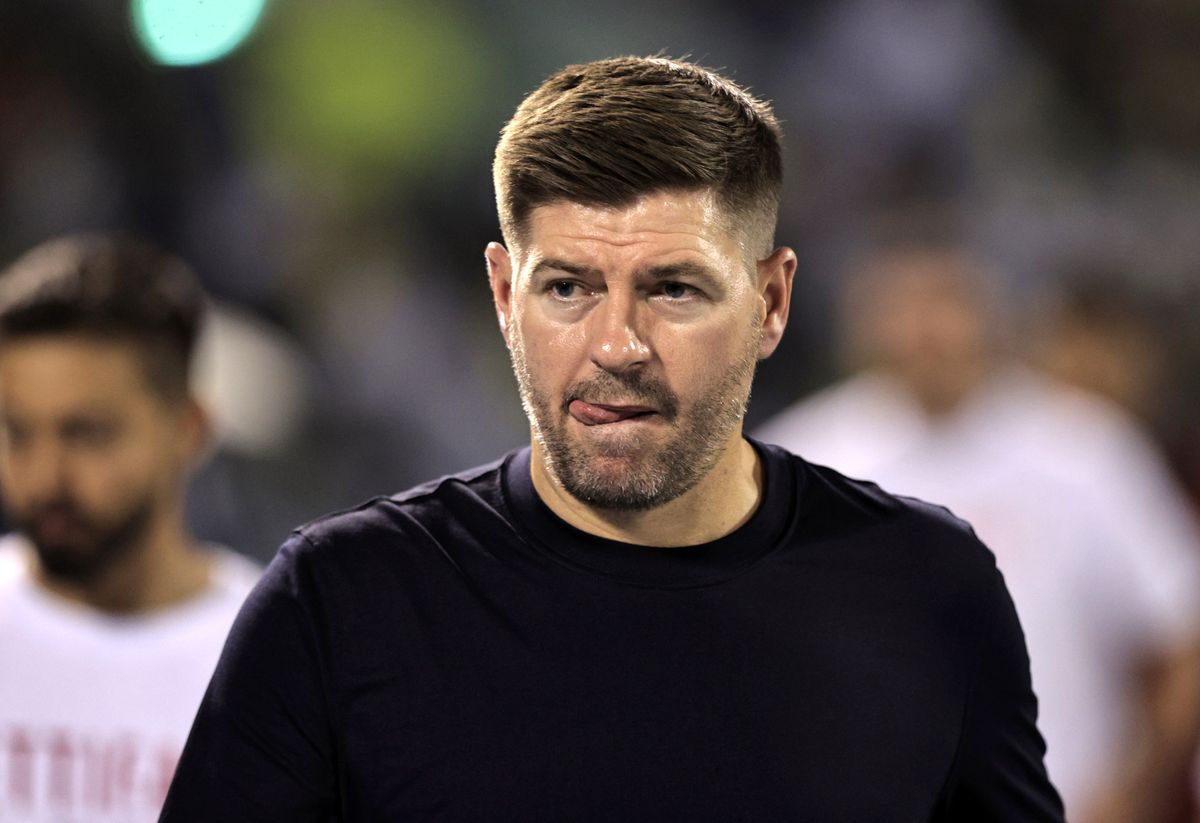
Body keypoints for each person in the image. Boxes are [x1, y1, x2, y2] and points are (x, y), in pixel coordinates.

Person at [161, 57, 1064, 821]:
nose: (616, 346)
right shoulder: (340, 602)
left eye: (673, 287)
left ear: (773, 303)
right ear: (504, 297)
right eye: (567, 289)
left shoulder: (928, 586)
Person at [756, 242, 1200, 823]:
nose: (927, 330)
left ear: (993, 311)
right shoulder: (803, 456)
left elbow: (1178, 638)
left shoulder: (1086, 449)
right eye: (903, 306)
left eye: (946, 302)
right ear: (861, 322)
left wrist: (1130, 791)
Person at [0, 234, 260, 822]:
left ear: (189, 428)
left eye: (87, 434)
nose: (45, 478)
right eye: (18, 433)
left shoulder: (278, 655)